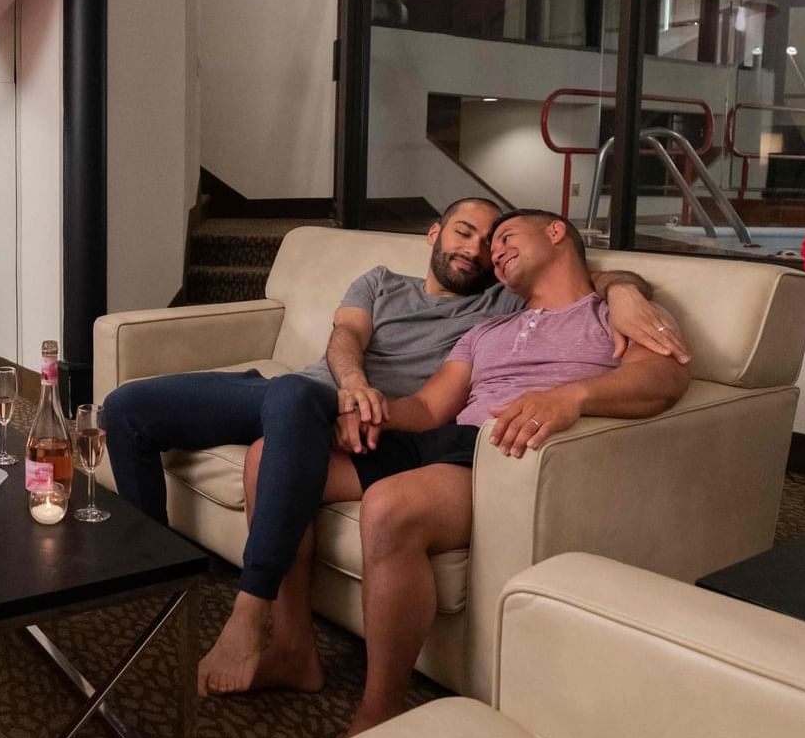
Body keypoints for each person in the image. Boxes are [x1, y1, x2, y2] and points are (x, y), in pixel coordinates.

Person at [101, 198, 687, 687]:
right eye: (466, 232)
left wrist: (626, 291)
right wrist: (352, 385)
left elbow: (577, 280)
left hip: (366, 420)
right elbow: (345, 335)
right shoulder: (381, 281)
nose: (480, 249)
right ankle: (147, 577)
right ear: (434, 233)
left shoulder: (498, 301)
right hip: (312, 393)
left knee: (290, 411)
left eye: (493, 242)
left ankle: (257, 615)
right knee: (127, 408)